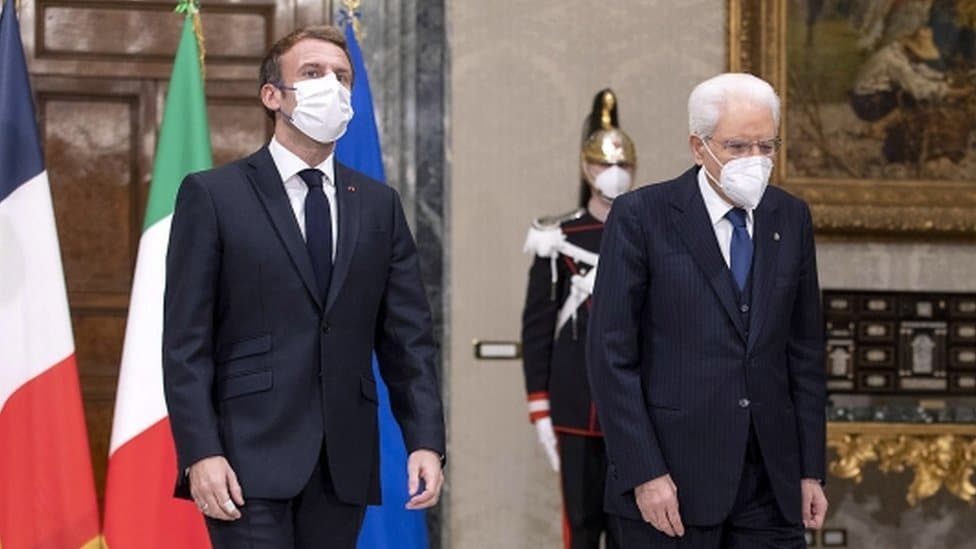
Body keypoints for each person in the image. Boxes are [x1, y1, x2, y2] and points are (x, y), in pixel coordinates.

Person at [162, 25, 445, 548]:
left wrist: (425, 441)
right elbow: (185, 343)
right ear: (273, 95)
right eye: (312, 74)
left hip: (343, 462)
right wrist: (200, 453)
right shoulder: (214, 195)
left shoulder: (379, 205)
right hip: (245, 458)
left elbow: (409, 340)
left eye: (342, 77)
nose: (331, 87)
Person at [586, 72, 828, 548]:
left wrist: (809, 469)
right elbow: (610, 357)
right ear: (698, 147)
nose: (755, 160)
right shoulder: (642, 216)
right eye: (738, 146)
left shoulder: (790, 217)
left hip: (770, 484)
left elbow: (805, 353)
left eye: (767, 145)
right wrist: (644, 471)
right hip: (670, 483)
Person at [521, 89, 636, 549]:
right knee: (582, 529)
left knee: (635, 529)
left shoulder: (651, 234)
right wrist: (540, 409)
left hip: (635, 413)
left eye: (624, 166)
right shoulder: (558, 238)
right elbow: (536, 330)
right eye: (606, 165)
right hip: (574, 407)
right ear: (587, 169)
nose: (614, 174)